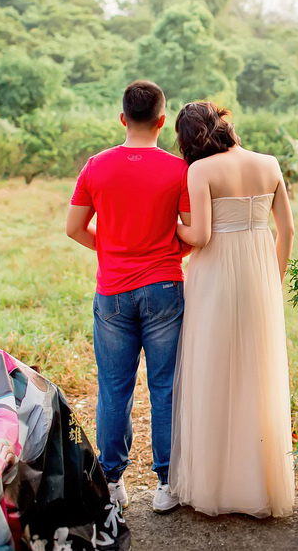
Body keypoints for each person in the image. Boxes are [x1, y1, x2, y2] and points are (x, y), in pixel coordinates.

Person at [66, 80, 189, 514]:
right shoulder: (179, 170)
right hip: (164, 290)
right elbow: (190, 232)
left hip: (112, 293)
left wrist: (113, 247)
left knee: (113, 390)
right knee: (165, 388)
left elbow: (74, 227)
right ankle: (167, 484)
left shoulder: (96, 165)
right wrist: (166, 251)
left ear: (122, 118)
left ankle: (113, 481)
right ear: (161, 122)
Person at [169, 102, 295, 518]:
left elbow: (201, 235)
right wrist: (272, 281)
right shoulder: (269, 162)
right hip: (260, 276)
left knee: (213, 370)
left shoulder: (200, 170)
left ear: (190, 141)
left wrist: (173, 225)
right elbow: (287, 231)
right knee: (257, 374)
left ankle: (216, 486)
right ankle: (258, 484)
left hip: (216, 278)